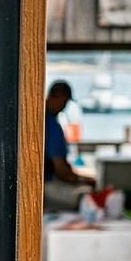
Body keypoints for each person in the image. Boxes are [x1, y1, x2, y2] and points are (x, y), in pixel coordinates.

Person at [43, 80, 93, 213]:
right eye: (65, 102)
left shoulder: (42, 118)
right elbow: (60, 169)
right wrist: (82, 181)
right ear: (58, 96)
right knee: (85, 198)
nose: (64, 107)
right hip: (46, 184)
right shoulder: (51, 125)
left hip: (41, 184)